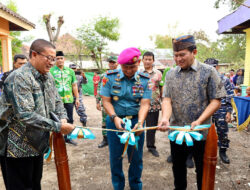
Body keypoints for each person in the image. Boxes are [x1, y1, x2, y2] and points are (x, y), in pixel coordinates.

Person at [0, 39, 75, 190]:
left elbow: (58, 102)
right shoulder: (20, 77)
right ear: (34, 54)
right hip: (16, 147)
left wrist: (62, 117)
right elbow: (25, 114)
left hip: (36, 142)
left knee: (35, 185)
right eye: (49, 58)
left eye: (54, 59)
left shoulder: (48, 78)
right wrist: (58, 126)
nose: (52, 62)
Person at [158, 35, 226, 190]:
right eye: (175, 55)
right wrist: (165, 118)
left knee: (203, 170)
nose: (178, 59)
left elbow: (216, 100)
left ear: (194, 52)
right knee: (178, 168)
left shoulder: (208, 72)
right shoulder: (170, 74)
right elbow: (167, 99)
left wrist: (199, 120)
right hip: (177, 131)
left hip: (201, 132)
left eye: (182, 55)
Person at [100, 47, 152, 190]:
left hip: (136, 121)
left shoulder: (146, 80)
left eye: (132, 67)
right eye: (125, 67)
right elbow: (106, 101)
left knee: (136, 158)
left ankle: (136, 186)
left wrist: (140, 122)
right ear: (119, 65)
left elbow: (145, 104)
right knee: (115, 157)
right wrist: (114, 117)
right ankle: (118, 186)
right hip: (115, 120)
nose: (128, 70)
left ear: (139, 63)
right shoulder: (109, 77)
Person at [0, 54, 27, 189]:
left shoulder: (27, 77)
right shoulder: (7, 77)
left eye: (24, 63)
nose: (22, 66)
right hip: (6, 123)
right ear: (14, 63)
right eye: (20, 63)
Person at [204, 58, 234, 164]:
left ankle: (223, 152)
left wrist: (229, 112)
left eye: (212, 67)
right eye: (208, 67)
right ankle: (204, 152)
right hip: (206, 110)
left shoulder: (224, 80)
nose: (210, 69)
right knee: (203, 131)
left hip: (221, 109)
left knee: (223, 132)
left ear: (217, 67)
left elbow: (230, 96)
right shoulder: (202, 79)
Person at [50, 51, 80, 146]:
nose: (59, 60)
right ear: (55, 60)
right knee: (56, 120)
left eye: (61, 58)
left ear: (64, 59)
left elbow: (74, 85)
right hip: (55, 101)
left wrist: (77, 98)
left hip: (68, 99)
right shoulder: (51, 71)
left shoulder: (70, 71)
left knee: (70, 119)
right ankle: (58, 139)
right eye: (57, 58)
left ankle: (68, 138)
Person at [141, 51, 162, 157]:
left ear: (153, 60)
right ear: (142, 60)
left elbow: (161, 88)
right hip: (139, 106)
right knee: (138, 126)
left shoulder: (158, 74)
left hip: (154, 105)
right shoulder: (138, 73)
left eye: (150, 59)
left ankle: (151, 146)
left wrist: (162, 102)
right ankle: (137, 147)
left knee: (151, 128)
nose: (148, 61)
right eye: (146, 59)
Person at [96, 56, 118, 148]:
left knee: (117, 119)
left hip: (117, 103)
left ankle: (117, 139)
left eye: (113, 62)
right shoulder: (103, 75)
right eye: (110, 62)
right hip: (105, 102)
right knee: (105, 121)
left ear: (117, 63)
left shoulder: (120, 74)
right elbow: (99, 88)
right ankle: (105, 139)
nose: (111, 64)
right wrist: (97, 101)